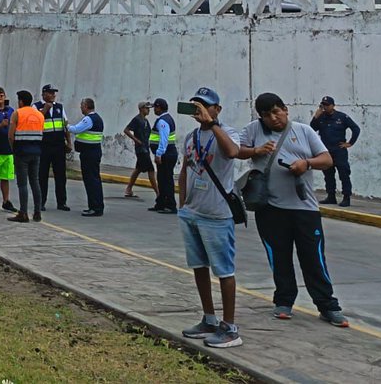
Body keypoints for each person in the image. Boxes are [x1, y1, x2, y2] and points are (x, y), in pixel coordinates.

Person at [241, 92, 348, 327]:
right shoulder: (252, 131)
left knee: (313, 258)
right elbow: (234, 151)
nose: (273, 118)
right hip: (269, 208)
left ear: (285, 109)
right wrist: (256, 151)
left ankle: (328, 306)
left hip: (304, 208)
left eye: (276, 112)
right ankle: (284, 301)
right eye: (267, 115)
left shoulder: (304, 131)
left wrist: (306, 163)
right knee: (278, 258)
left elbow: (327, 159)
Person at [178, 87, 244, 349]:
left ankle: (230, 327)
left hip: (217, 215)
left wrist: (213, 124)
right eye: (197, 106)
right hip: (192, 213)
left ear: (217, 109)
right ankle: (209, 318)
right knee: (199, 267)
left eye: (206, 105)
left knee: (224, 270)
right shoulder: (191, 136)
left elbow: (231, 152)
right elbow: (185, 170)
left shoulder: (227, 132)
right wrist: (182, 204)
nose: (201, 110)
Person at [310, 96, 361, 206]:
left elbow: (356, 129)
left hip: (339, 150)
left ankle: (346, 197)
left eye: (327, 105)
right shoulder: (321, 117)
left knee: (343, 174)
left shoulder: (341, 117)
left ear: (333, 105)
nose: (325, 107)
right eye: (323, 105)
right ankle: (331, 196)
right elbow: (312, 129)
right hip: (326, 151)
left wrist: (350, 143)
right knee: (328, 174)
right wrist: (316, 116)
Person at [7, 90, 44, 223]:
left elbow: (11, 135)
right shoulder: (40, 115)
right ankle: (37, 212)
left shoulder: (17, 113)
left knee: (22, 184)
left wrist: (13, 149)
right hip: (36, 151)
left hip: (21, 152)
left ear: (21, 101)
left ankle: (23, 213)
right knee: (35, 181)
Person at [36, 85, 72, 212]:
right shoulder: (36, 106)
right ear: (44, 94)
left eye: (54, 93)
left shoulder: (59, 107)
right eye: (50, 93)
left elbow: (65, 125)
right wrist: (44, 110)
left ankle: (62, 202)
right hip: (44, 145)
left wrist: (69, 142)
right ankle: (40, 202)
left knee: (61, 175)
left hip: (58, 145)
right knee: (42, 175)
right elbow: (35, 122)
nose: (53, 95)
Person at [68, 97, 105, 216]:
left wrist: (66, 125)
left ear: (86, 106)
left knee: (91, 181)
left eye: (81, 105)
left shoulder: (89, 119)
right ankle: (95, 206)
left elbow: (76, 129)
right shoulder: (96, 118)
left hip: (89, 154)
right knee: (93, 180)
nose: (80, 107)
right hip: (92, 153)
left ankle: (95, 207)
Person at [148, 97, 178, 214]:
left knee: (166, 180)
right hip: (168, 154)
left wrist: (159, 154)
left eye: (155, 107)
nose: (154, 110)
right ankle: (160, 203)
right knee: (162, 179)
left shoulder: (163, 121)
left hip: (166, 155)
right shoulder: (167, 118)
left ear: (159, 107)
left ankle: (170, 205)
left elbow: (164, 139)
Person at [123, 100, 157, 200]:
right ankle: (158, 193)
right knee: (151, 169)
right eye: (147, 108)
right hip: (141, 149)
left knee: (138, 169)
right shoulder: (137, 120)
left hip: (146, 148)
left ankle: (128, 189)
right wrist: (135, 139)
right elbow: (126, 130)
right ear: (141, 109)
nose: (148, 110)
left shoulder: (146, 121)